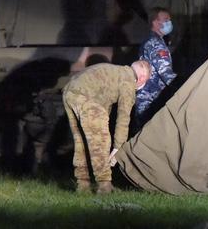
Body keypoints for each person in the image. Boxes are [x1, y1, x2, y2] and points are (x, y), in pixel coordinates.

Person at [63, 60, 151, 194]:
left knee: (80, 142)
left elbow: (106, 103)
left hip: (70, 92)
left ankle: (83, 185)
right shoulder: (128, 82)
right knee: (100, 141)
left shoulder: (116, 72)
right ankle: (104, 186)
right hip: (87, 97)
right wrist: (117, 147)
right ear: (142, 78)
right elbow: (123, 118)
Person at [136, 7, 177, 121]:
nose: (169, 22)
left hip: (148, 99)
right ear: (155, 22)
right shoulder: (156, 43)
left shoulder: (153, 40)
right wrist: (182, 86)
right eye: (166, 19)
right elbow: (165, 72)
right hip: (151, 100)